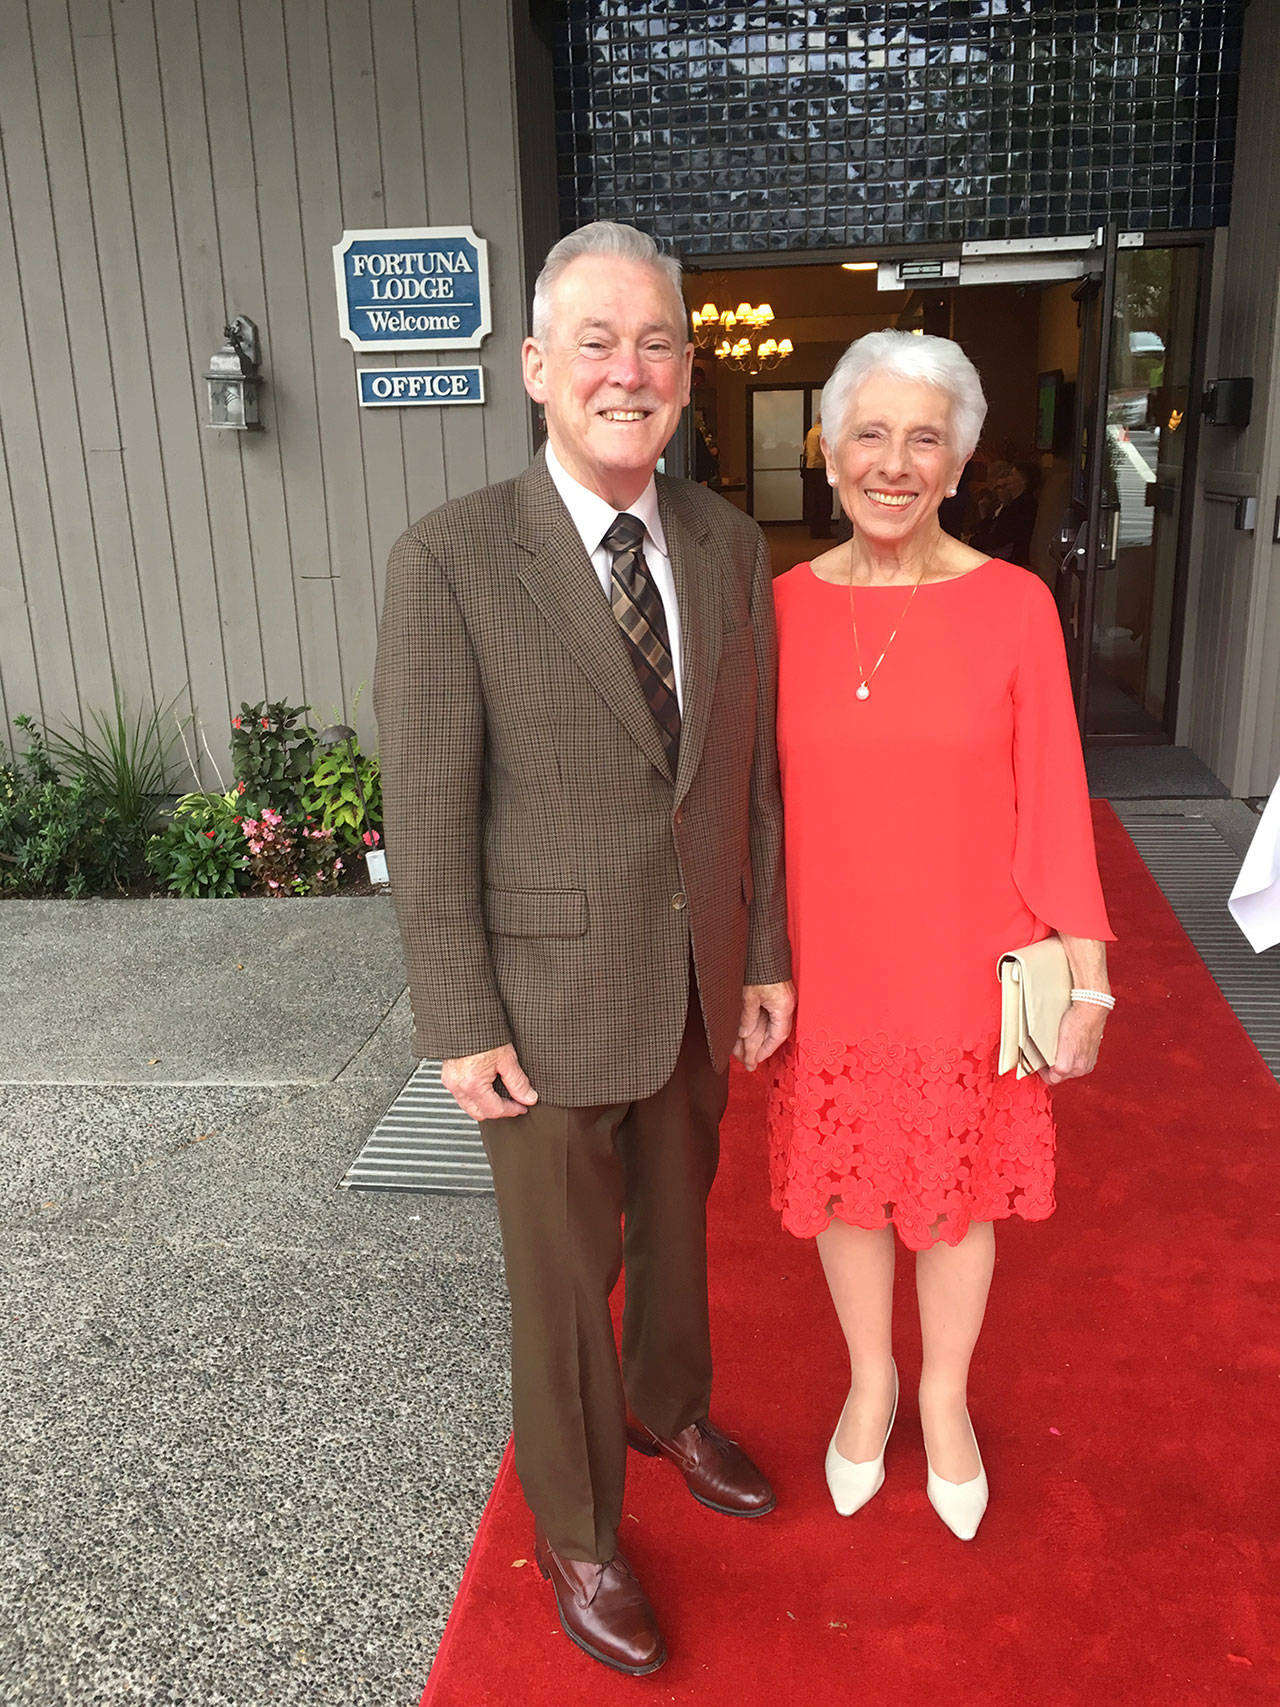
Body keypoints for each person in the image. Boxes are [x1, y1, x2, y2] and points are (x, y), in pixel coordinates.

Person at [373, 221, 794, 1676]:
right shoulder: (451, 559)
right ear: (539, 368)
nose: (634, 369)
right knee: (561, 1277)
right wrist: (456, 1013)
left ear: (687, 368)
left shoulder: (735, 545)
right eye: (600, 343)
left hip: (692, 977)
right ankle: (577, 1528)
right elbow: (425, 810)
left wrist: (764, 954)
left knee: (683, 1224)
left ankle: (665, 1401)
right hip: (541, 999)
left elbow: (749, 778)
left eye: (659, 340)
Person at [766, 330, 1113, 1542]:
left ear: (961, 461)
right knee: (853, 1188)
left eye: (925, 438)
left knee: (957, 1193)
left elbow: (1056, 797)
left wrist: (1088, 975)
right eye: (869, 433)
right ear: (828, 451)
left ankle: (945, 1399)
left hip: (974, 956)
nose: (894, 462)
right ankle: (869, 1382)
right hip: (836, 957)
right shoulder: (780, 612)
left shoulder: (1013, 607)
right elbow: (753, 810)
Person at [968, 458, 1040, 568]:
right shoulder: (1012, 505)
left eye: (1011, 475)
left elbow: (999, 539)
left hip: (1009, 561)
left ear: (1023, 480)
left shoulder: (1023, 507)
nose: (1007, 480)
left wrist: (972, 543)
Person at [802, 414, 835, 537]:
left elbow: (805, 450)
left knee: (814, 500)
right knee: (824, 501)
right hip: (822, 469)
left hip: (810, 469)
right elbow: (825, 453)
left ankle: (814, 530)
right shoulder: (823, 433)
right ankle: (823, 530)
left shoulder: (811, 432)